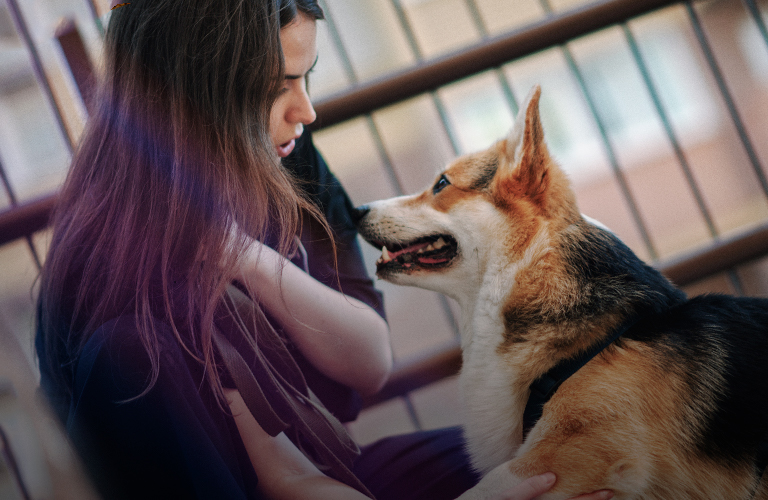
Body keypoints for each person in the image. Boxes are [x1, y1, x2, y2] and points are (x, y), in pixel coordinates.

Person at [35, 0, 612, 499]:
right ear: (199, 92)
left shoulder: (278, 156)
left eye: (306, 76)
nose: (305, 110)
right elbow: (282, 485)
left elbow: (367, 363)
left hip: (329, 472)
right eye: (275, 87)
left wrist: (244, 256)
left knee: (571, 466)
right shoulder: (127, 315)